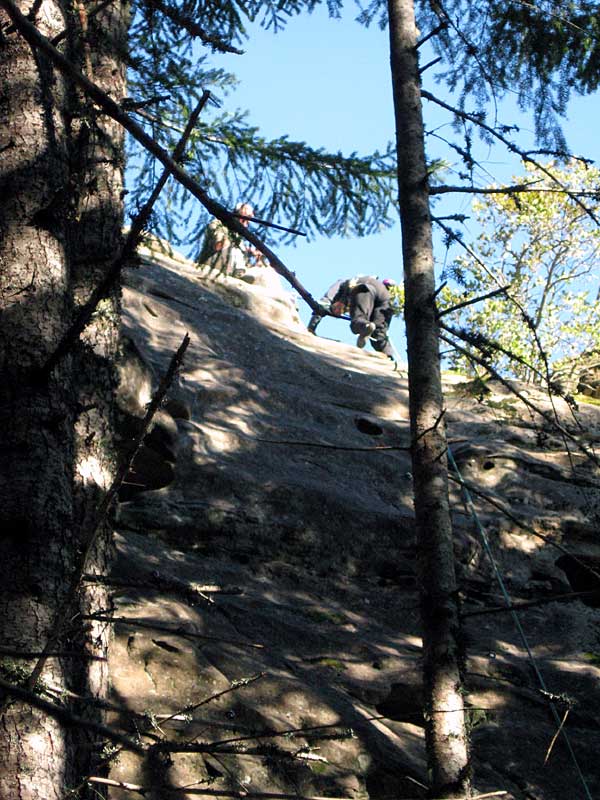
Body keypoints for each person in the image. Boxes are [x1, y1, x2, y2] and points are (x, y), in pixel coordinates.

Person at [308, 276, 397, 360]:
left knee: (358, 320)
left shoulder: (340, 288)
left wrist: (311, 328)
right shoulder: (350, 299)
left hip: (365, 288)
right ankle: (390, 358)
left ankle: (365, 326)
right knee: (379, 332)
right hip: (386, 298)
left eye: (337, 309)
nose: (339, 312)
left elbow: (321, 305)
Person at [197, 202, 266, 277]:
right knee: (233, 250)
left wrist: (257, 260)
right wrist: (245, 249)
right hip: (212, 262)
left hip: (231, 265)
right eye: (245, 219)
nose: (246, 224)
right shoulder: (218, 224)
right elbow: (218, 245)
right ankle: (239, 274)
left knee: (266, 270)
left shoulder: (238, 236)